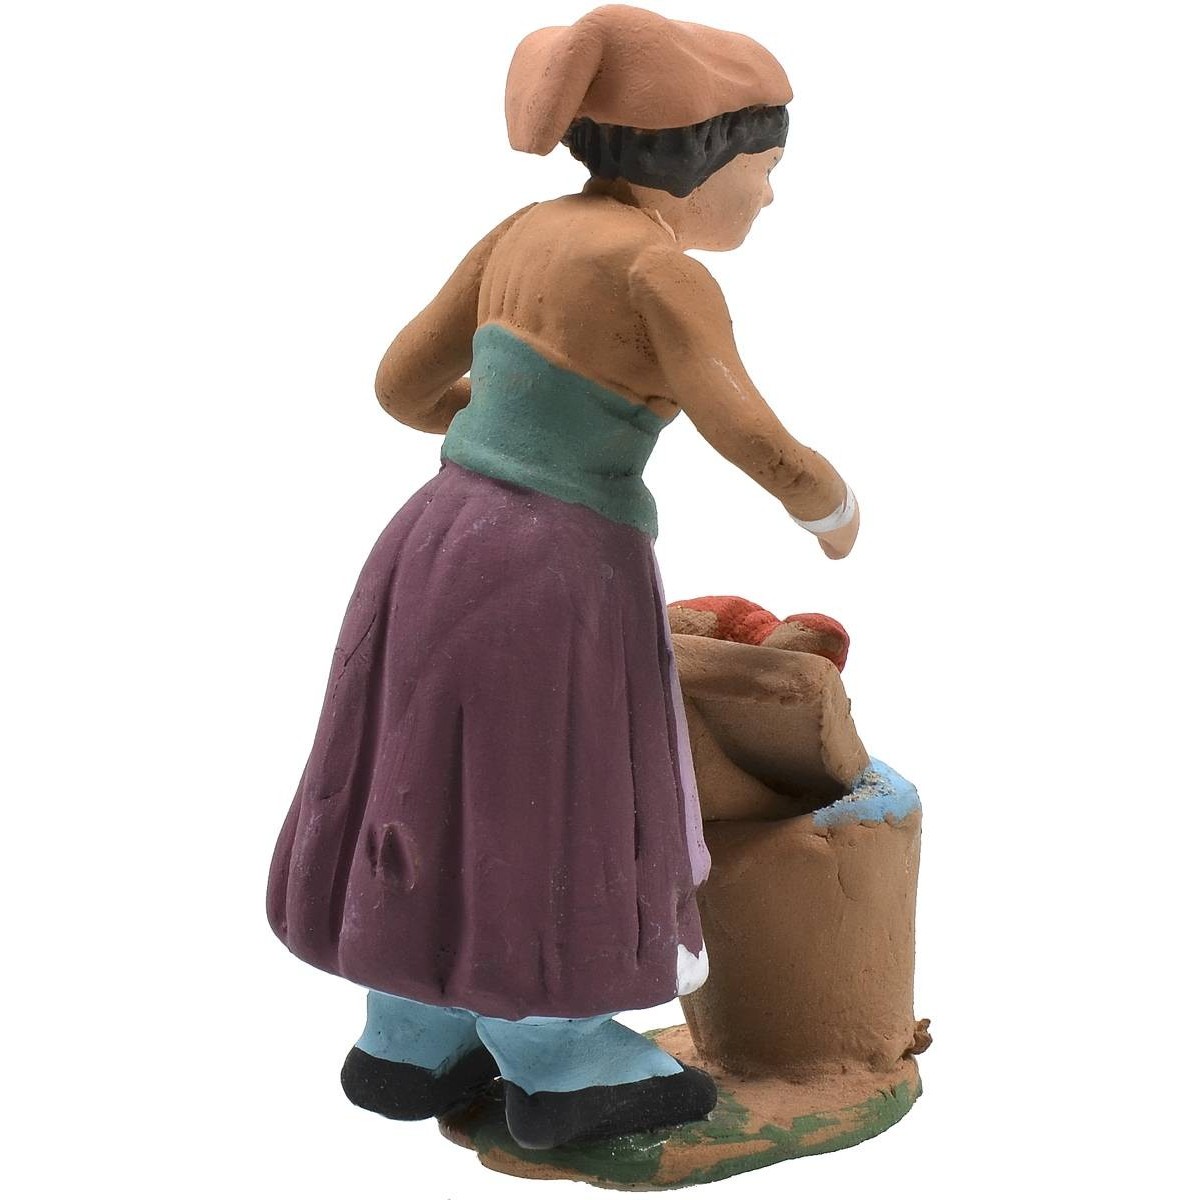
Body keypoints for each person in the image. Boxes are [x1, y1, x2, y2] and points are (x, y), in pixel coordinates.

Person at [266, 4, 858, 1150]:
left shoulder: (524, 232)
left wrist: (505, 426)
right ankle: (560, 1056)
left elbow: (400, 386)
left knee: (429, 780)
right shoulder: (657, 270)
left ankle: (409, 1033)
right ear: (703, 160)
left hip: (434, 538)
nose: (770, 197)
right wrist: (827, 505)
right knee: (548, 796)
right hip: (557, 568)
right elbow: (748, 431)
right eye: (765, 170)